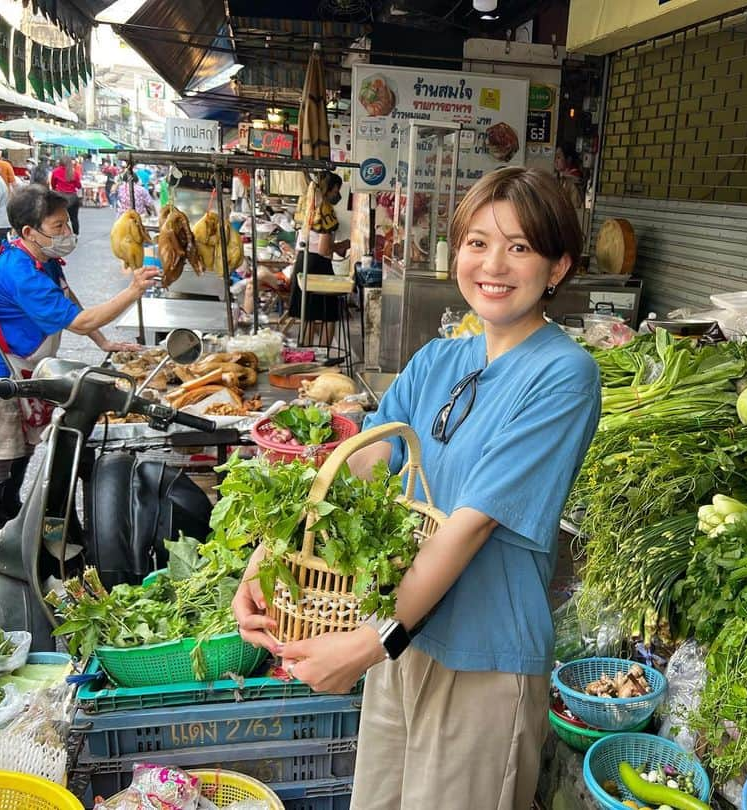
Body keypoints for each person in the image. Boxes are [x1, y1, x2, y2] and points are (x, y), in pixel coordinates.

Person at [232, 167, 600, 810]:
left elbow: (473, 523)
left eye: (520, 247)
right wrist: (270, 558)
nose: (494, 264)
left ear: (558, 266)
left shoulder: (564, 375)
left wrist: (375, 640)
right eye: (477, 242)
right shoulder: (439, 359)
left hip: (482, 656)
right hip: (401, 632)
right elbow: (358, 464)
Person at [0, 184, 159, 544]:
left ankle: (9, 509)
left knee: (21, 444)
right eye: (58, 226)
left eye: (67, 223)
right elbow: (77, 321)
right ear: (29, 231)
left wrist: (103, 341)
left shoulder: (42, 260)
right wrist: (132, 291)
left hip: (21, 363)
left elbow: (68, 300)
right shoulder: (21, 271)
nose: (67, 233)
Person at [287, 172, 350, 346]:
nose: (338, 194)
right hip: (317, 265)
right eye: (336, 190)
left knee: (309, 315)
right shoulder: (325, 212)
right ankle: (323, 355)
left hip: (303, 261)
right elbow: (324, 249)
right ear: (328, 190)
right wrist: (343, 245)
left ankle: (306, 355)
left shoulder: (309, 207)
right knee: (329, 315)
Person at [49, 156, 82, 234]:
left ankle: (60, 233)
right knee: (74, 218)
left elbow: (53, 184)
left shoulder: (55, 171)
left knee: (59, 218)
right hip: (73, 198)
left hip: (60, 198)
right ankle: (76, 235)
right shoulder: (74, 173)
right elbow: (79, 186)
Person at [554, 145, 584, 211]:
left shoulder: (574, 179)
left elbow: (576, 205)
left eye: (558, 157)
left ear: (568, 159)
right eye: (555, 157)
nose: (555, 161)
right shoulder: (558, 178)